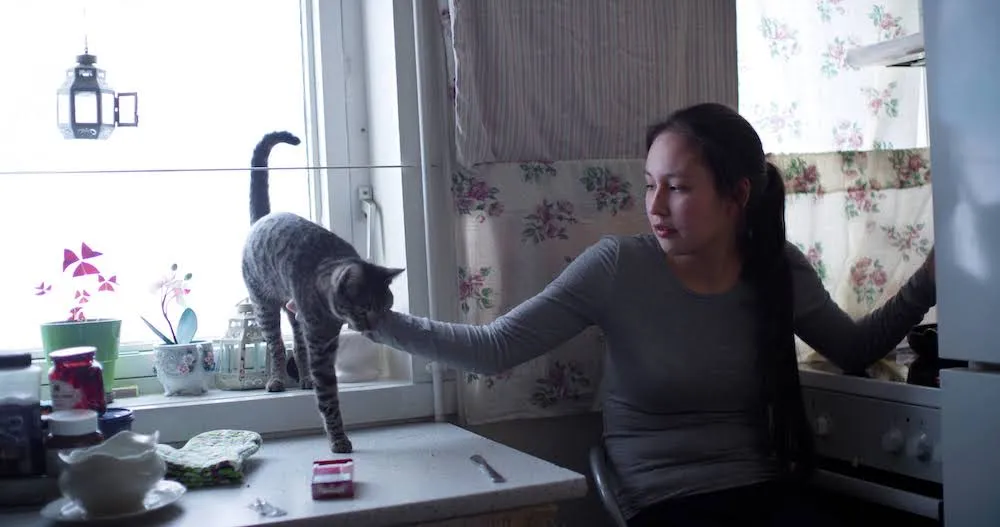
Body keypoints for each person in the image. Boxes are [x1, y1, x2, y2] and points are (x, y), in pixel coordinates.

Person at [289, 102, 937, 526]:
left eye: (677, 188)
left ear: (737, 196)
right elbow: (494, 348)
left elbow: (855, 349)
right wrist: (372, 318)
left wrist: (932, 281)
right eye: (650, 182)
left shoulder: (777, 269)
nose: (654, 204)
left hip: (762, 492)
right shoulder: (617, 267)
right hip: (660, 496)